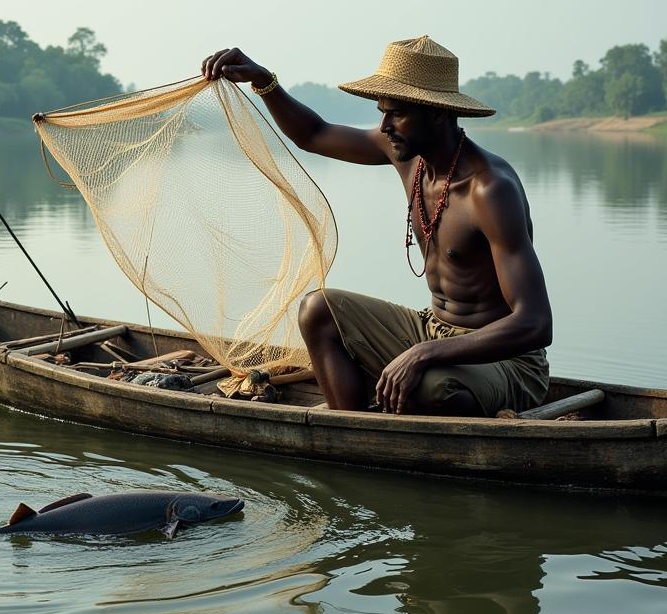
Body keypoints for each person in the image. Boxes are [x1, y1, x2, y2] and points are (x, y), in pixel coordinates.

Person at [201, 35, 552, 417]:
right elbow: (314, 135)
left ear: (436, 113)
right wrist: (264, 81)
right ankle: (350, 428)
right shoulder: (408, 158)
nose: (384, 126)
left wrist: (422, 354)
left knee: (430, 388)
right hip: (432, 329)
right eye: (382, 112)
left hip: (508, 362)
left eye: (395, 113)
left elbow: (534, 323)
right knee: (318, 310)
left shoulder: (490, 190)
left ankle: (397, 412)